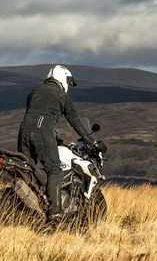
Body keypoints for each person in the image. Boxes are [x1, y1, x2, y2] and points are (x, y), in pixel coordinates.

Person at [17, 65, 106, 220]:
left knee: (29, 168)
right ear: (63, 79)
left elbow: (37, 114)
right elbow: (75, 121)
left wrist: (53, 136)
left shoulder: (35, 92)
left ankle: (33, 205)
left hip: (23, 133)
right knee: (54, 170)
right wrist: (91, 141)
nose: (68, 86)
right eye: (68, 82)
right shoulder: (61, 96)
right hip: (42, 134)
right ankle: (55, 212)